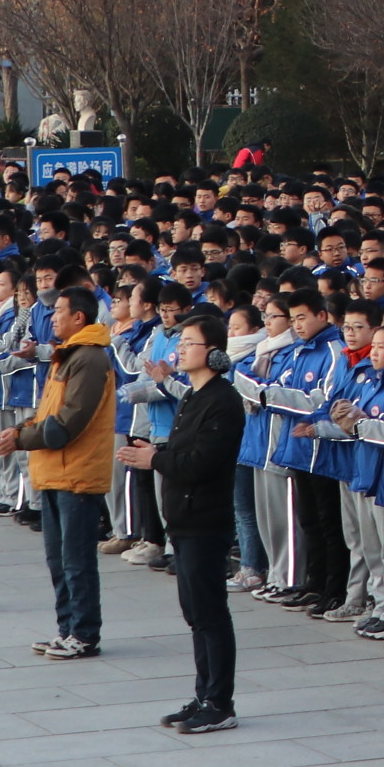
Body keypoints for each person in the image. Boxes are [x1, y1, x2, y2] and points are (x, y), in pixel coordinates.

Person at [129, 313, 244, 731]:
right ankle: (203, 694)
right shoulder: (194, 396)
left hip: (205, 519)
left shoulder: (223, 400)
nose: (180, 350)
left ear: (213, 353)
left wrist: (154, 459)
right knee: (195, 614)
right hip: (183, 517)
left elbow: (202, 462)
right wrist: (154, 451)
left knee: (211, 613)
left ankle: (220, 702)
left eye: (190, 343)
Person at [0, 284, 117, 660]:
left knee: (76, 560)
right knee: (58, 560)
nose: (52, 317)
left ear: (78, 317)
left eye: (59, 311)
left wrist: (21, 439)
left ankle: (83, 633)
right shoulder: (67, 356)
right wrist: (18, 432)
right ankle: (67, 629)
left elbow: (66, 424)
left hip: (76, 474)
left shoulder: (90, 360)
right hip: (52, 471)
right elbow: (47, 414)